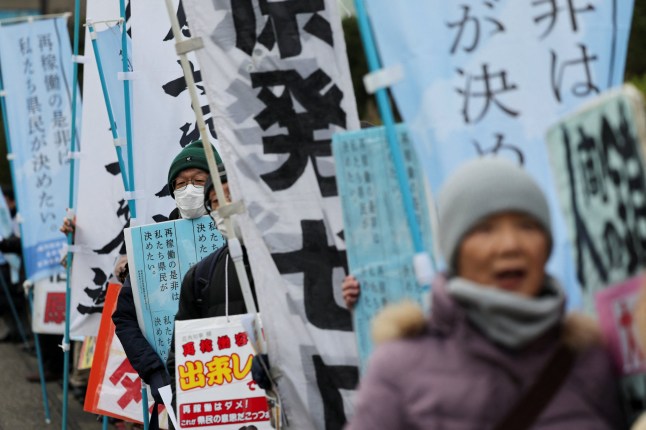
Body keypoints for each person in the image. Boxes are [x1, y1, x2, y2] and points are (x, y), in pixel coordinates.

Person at [345, 157, 625, 429]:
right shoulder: (398, 367)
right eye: (485, 229)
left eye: (527, 226)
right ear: (454, 251)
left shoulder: (589, 358)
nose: (509, 245)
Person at [112, 139, 217, 429]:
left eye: (198, 181)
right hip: (174, 385)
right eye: (180, 184)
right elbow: (124, 317)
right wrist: (155, 371)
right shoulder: (152, 246)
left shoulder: (239, 237)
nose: (189, 189)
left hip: (230, 373)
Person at [165, 169, 259, 415]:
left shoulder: (287, 261)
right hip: (226, 408)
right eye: (216, 202)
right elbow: (180, 352)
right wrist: (183, 404)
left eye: (230, 196)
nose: (223, 207)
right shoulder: (200, 276)